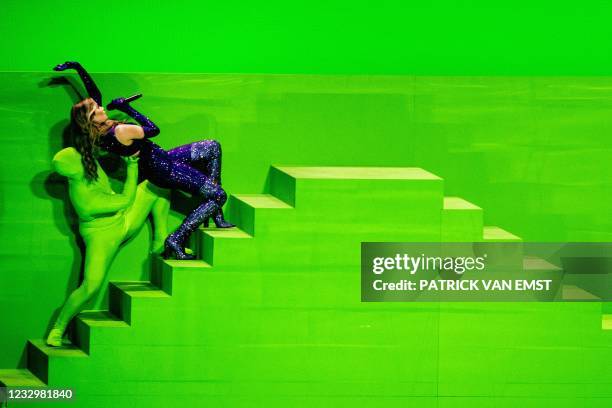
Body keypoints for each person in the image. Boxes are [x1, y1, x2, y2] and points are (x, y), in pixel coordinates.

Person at [53, 61, 233, 260]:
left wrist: (77, 68)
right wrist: (127, 108)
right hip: (165, 169)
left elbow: (94, 93)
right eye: (97, 110)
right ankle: (177, 238)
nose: (102, 108)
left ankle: (215, 214)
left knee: (212, 147)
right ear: (91, 120)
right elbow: (153, 130)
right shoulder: (120, 130)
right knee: (219, 196)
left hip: (160, 159)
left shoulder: (97, 134)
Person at [46, 147, 168, 347]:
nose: (81, 157)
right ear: (73, 169)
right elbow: (126, 200)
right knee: (90, 286)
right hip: (103, 236)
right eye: (77, 158)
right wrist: (132, 165)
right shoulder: (84, 199)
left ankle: (160, 240)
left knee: (161, 180)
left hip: (123, 219)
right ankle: (58, 329)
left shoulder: (86, 166)